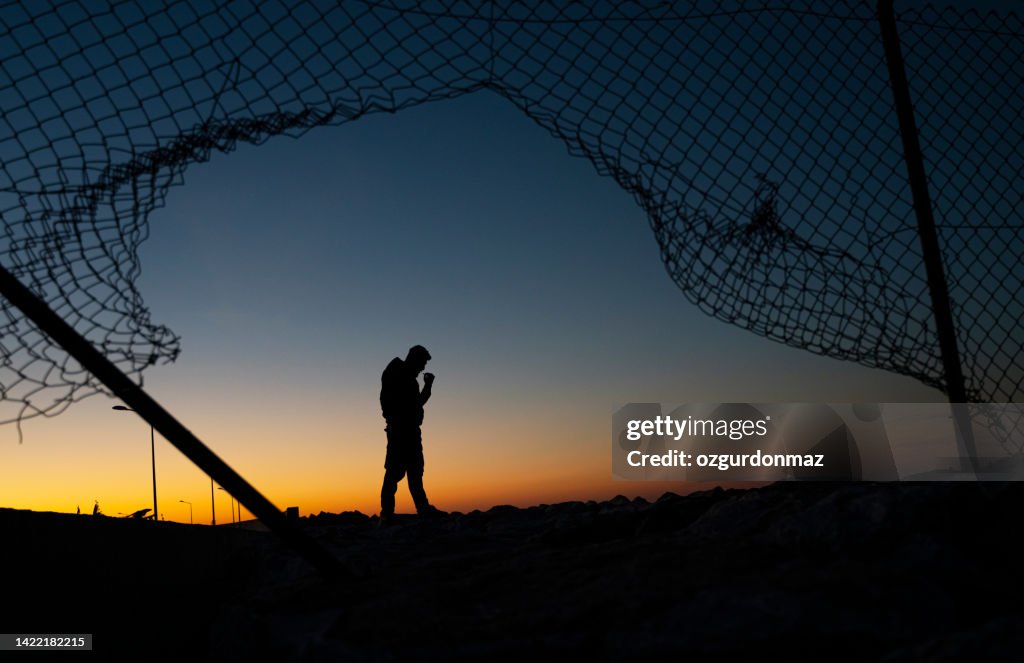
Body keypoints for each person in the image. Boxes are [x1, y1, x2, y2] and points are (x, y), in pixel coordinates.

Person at [379, 345, 446, 523]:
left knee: (415, 470)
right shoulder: (396, 374)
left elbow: (417, 404)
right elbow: (389, 403)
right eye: (422, 363)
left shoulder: (410, 380)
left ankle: (422, 508)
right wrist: (397, 421)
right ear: (414, 359)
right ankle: (387, 513)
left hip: (411, 431)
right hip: (400, 431)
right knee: (394, 472)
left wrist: (428, 386)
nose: (423, 367)